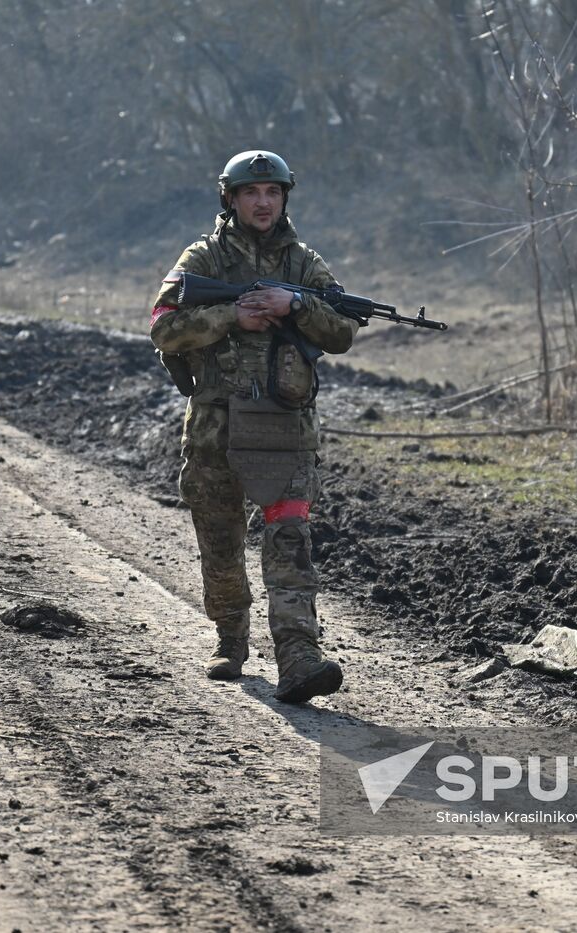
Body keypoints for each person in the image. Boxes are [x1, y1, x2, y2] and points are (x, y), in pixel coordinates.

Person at [149, 150, 357, 703]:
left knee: (289, 542)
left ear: (285, 197)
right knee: (220, 543)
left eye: (272, 192)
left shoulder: (304, 265)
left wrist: (295, 305)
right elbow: (163, 329)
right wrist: (230, 317)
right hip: (217, 431)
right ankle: (231, 639)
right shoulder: (203, 260)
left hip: (286, 431)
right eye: (251, 193)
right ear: (231, 199)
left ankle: (298, 656)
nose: (263, 202)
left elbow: (341, 332)